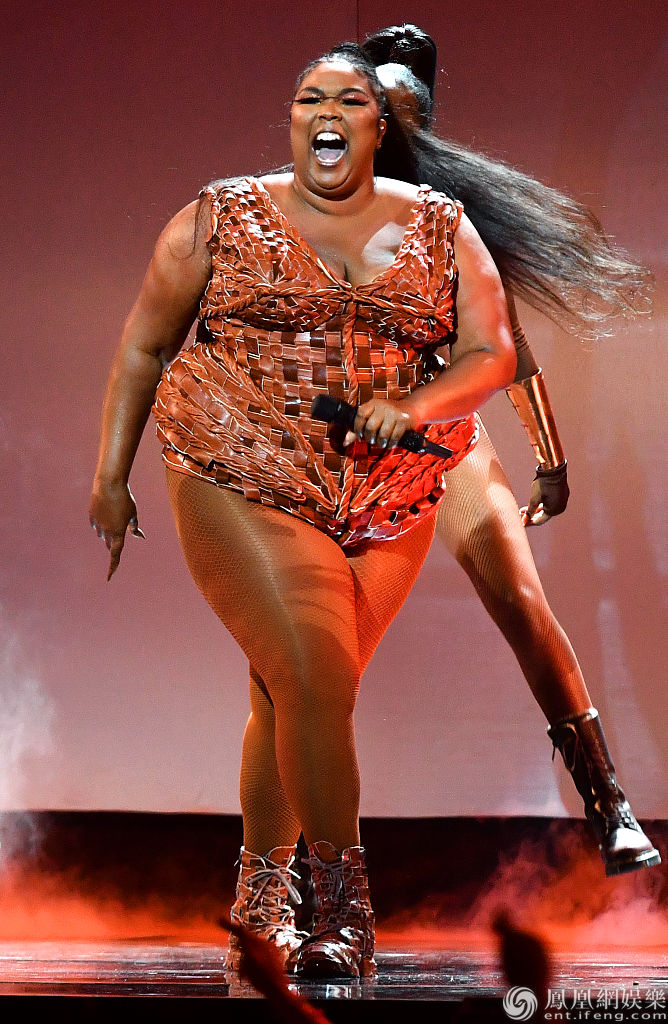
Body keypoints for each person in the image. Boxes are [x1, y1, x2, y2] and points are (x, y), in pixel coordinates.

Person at [89, 44, 517, 978]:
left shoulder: (441, 226)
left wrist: (416, 406)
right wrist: (110, 479)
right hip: (237, 466)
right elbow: (144, 346)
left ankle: (257, 906)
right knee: (316, 673)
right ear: (292, 120)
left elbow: (492, 354)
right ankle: (345, 915)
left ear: (378, 126)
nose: (326, 113)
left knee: (289, 689)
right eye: (307, 98)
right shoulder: (219, 217)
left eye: (349, 101)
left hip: (387, 494)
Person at [360, 24, 660, 877]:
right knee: (312, 647)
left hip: (448, 440)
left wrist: (551, 460)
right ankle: (294, 864)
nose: (396, 129)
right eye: (384, 114)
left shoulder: (453, 225)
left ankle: (612, 809)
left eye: (408, 116)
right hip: (354, 451)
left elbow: (510, 349)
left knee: (523, 601)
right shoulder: (322, 216)